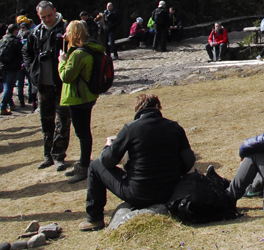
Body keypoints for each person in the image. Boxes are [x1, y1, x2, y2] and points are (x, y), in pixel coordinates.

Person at [79, 94, 194, 231]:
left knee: (94, 165)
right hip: (170, 191)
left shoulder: (130, 129)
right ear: (157, 107)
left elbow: (107, 161)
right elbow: (189, 160)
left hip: (139, 193)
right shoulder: (174, 127)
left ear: (138, 109)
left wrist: (108, 147)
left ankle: (94, 219)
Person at [23, 1, 70, 170]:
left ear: (55, 11)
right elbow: (26, 53)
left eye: (49, 15)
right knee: (46, 121)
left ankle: (59, 155)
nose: (47, 19)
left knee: (63, 121)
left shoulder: (66, 29)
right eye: (43, 17)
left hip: (62, 83)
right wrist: (31, 70)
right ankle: (47, 155)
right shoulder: (35, 32)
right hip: (43, 83)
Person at [59, 20, 104, 184]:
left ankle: (84, 166)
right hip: (87, 96)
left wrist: (62, 61)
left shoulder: (79, 54)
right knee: (83, 132)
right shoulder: (89, 49)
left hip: (78, 98)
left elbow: (66, 76)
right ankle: (82, 163)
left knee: (82, 133)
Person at [0, 23, 24, 115]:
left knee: (6, 86)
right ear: (15, 31)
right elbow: (21, 54)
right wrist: (22, 64)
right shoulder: (16, 41)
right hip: (12, 67)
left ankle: (11, 104)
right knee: (9, 87)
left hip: (2, 66)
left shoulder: (1, 40)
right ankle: (3, 107)